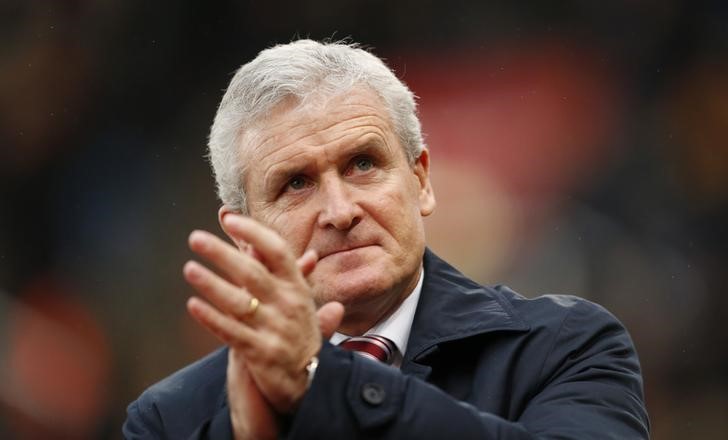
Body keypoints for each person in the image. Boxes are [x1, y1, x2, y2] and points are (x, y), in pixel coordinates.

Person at [123, 39, 649, 439]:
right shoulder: (170, 419)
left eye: (362, 164)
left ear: (420, 180)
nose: (340, 211)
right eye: (296, 183)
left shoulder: (567, 349)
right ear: (245, 235)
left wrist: (323, 381)